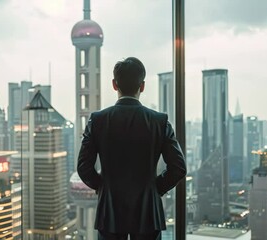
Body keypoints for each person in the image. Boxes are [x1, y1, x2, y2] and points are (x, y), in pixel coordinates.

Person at [77, 57, 186, 240]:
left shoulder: (98, 120)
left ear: (114, 84)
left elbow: (83, 167)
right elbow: (178, 168)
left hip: (110, 212)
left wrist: (104, 187)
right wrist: (154, 188)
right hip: (148, 212)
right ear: (142, 86)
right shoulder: (159, 122)